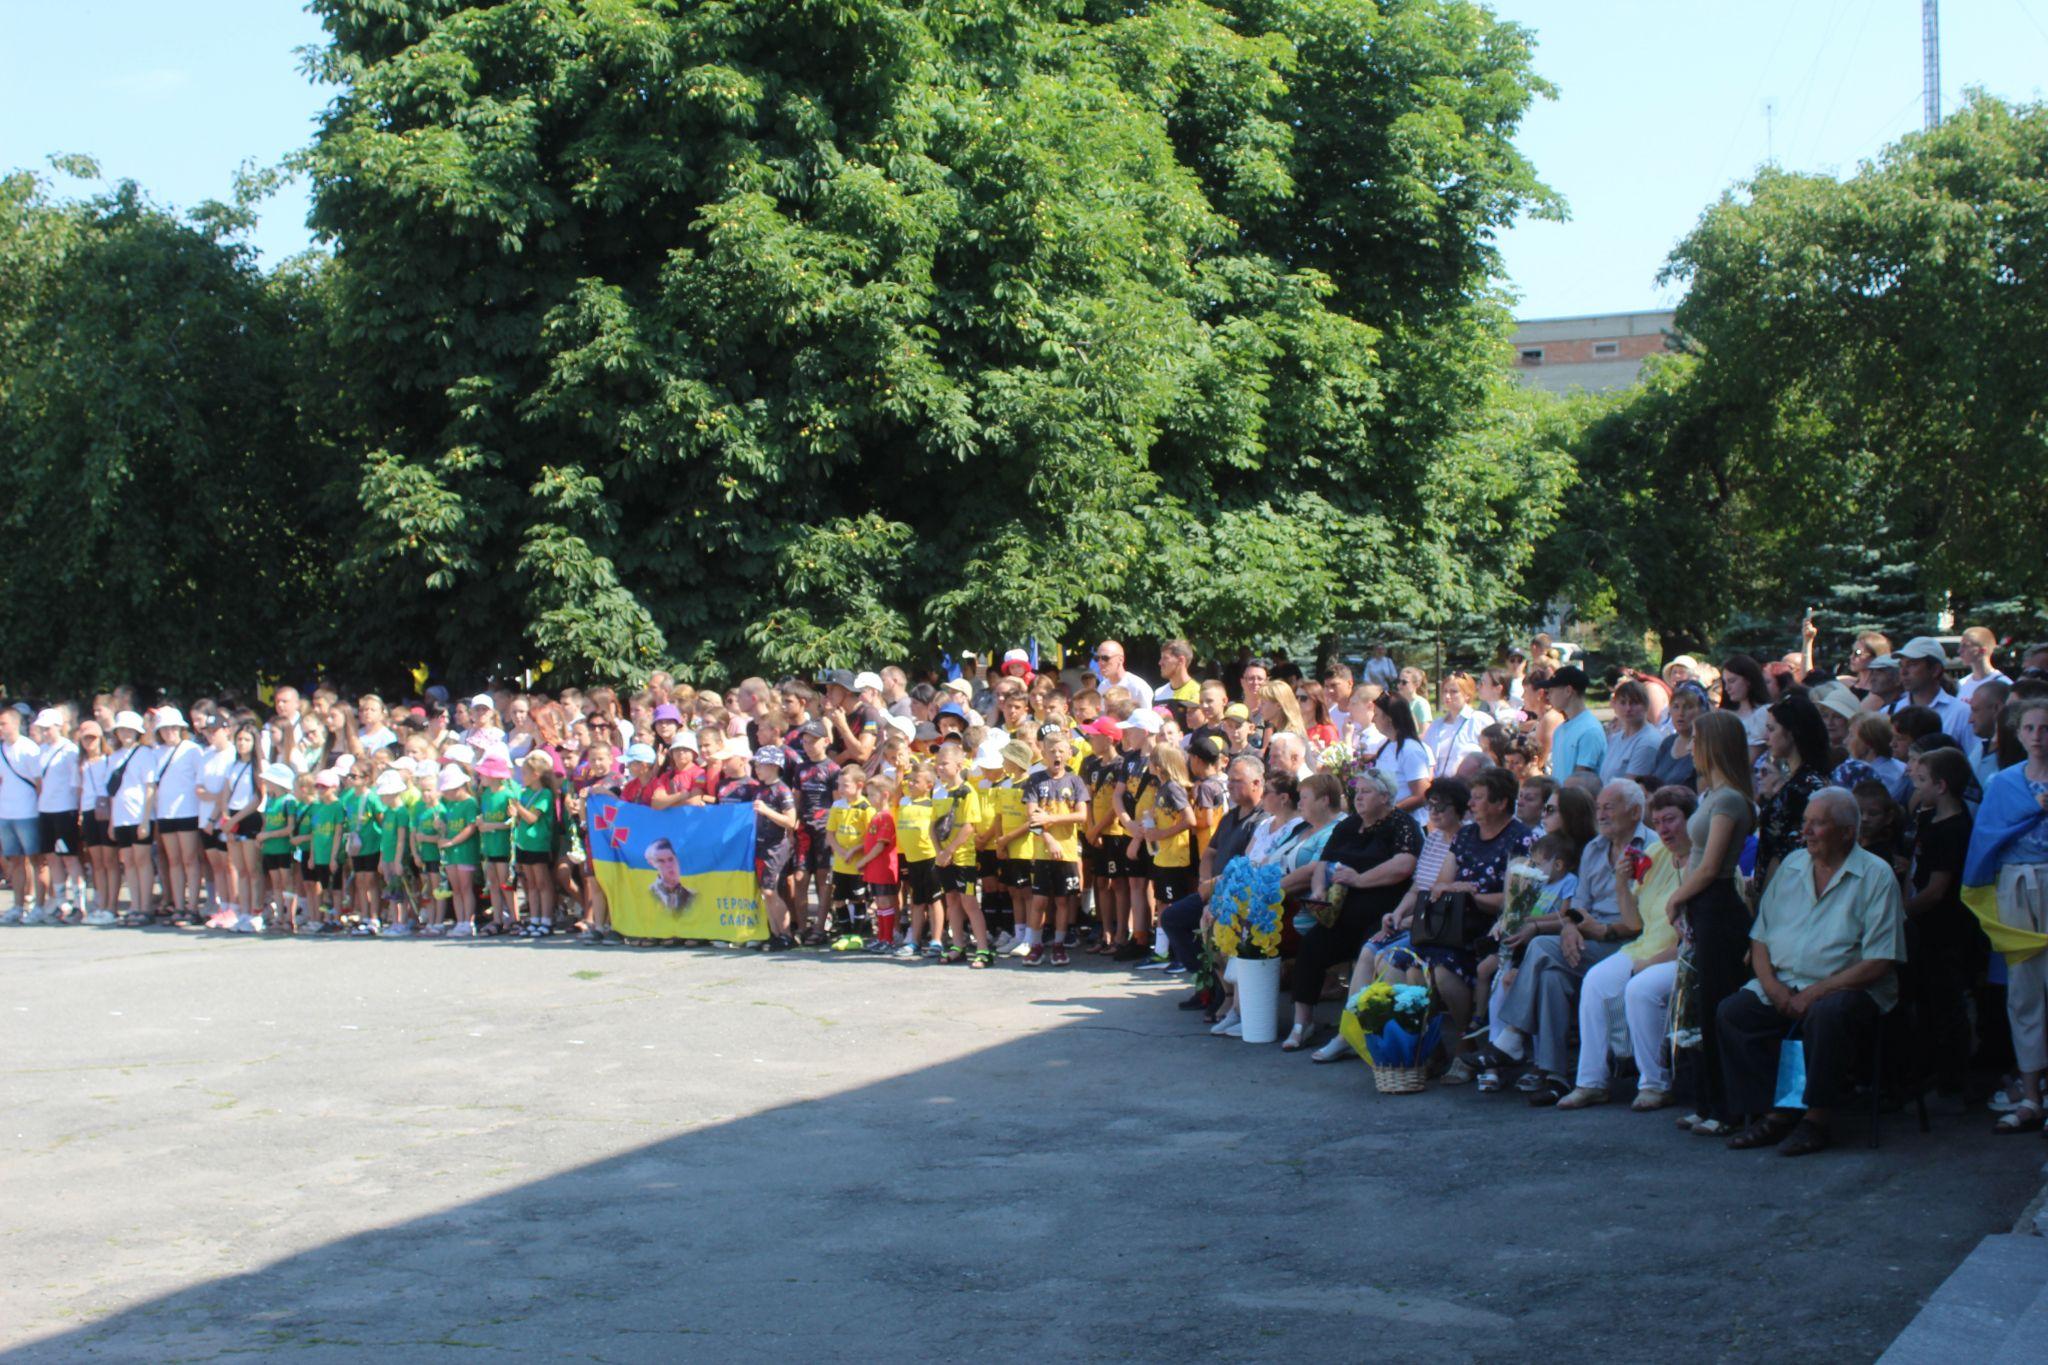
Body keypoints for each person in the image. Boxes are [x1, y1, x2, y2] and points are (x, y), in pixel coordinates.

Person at [1717, 789, 1906, 1156]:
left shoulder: (1875, 876)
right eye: (1805, 821)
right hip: (1787, 981)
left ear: (1847, 832)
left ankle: (1816, 1118)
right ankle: (1777, 1112)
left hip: (1849, 986)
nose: (1806, 831)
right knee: (1734, 1012)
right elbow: (1760, 938)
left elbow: (1880, 960)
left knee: (1827, 1014)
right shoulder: (1791, 866)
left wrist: (1815, 992)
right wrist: (1773, 988)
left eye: (1817, 823)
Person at [1489, 778, 1655, 1105]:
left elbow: (1647, 918)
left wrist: (1602, 931)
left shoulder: (1651, 848)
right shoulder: (1595, 848)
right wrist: (1571, 928)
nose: (1602, 814)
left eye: (1610, 807)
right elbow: (1578, 905)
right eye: (1599, 808)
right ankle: (1557, 1077)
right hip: (1589, 936)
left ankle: (1513, 1036)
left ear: (1635, 811)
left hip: (1629, 939)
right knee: (1551, 976)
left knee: (1538, 947)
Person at [1554, 784, 1696, 1109]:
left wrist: (1651, 962)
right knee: (1596, 981)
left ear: (1692, 820)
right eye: (1657, 821)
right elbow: (1634, 923)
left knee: (1640, 989)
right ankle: (1591, 1082)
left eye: (1671, 820)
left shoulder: (1703, 860)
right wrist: (1621, 883)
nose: (1663, 829)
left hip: (1685, 955)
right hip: (1645, 946)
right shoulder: (1656, 854)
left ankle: (1655, 1084)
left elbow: (1697, 938)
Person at [1292, 768, 1423, 1060]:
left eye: (1366, 792)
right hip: (1340, 913)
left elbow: (1404, 865)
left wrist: (1360, 879)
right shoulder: (1349, 825)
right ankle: (1303, 1022)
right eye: (1357, 791)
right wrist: (1317, 892)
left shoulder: (1402, 824)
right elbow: (1324, 865)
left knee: (1369, 951)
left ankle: (1349, 1032)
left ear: (1385, 796)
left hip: (1384, 913)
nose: (1358, 797)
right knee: (1312, 946)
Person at [1963, 699, 2048, 1132]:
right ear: (2018, 734)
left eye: (2045, 728)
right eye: (2030, 728)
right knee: (2024, 992)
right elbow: (1988, 837)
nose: (2037, 736)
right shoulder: (2003, 783)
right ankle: (2031, 1094)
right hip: (2015, 885)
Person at [1754, 695, 1831, 894]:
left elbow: (1789, 851)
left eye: (1772, 729)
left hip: (1788, 890)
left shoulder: (1806, 787)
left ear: (1792, 733)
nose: (1766, 737)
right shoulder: (1800, 781)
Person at [1889, 637, 1975, 749]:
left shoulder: (1962, 714)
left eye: (1912, 664)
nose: (1903, 672)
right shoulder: (1891, 711)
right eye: (1901, 665)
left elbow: (1972, 761)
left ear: (1935, 670)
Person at [1369, 690, 1432, 820]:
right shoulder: (1387, 745)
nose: (1372, 720)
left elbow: (1422, 794)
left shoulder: (1410, 750)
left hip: (1409, 825)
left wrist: (1388, 813)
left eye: (1376, 715)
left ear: (1389, 719)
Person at [1635, 681, 1706, 789]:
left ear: (1701, 710)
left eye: (1688, 707)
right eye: (1676, 707)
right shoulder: (1668, 743)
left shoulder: (1706, 746)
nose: (1681, 713)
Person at [1544, 667, 1607, 783]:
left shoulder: (1589, 730)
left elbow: (1580, 780)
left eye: (1551, 691)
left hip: (1574, 800)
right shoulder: (1560, 730)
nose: (1548, 697)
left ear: (1568, 691)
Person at [1424, 673, 1486, 778]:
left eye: (1454, 692)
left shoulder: (1479, 720)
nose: (1447, 696)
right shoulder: (1436, 725)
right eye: (1445, 691)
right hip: (1438, 786)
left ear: (1468, 695)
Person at [1599, 679, 1660, 786]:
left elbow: (1630, 787)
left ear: (1646, 706)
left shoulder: (1648, 741)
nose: (1628, 708)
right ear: (1615, 705)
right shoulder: (1615, 738)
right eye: (1623, 703)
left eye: (1634, 703)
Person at [1719, 654, 1771, 760]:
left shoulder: (1764, 713)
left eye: (1732, 681)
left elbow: (1750, 760)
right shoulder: (1723, 714)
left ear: (1748, 680)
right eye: (1725, 683)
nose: (1727, 688)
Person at [1957, 626, 2009, 702]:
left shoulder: (2003, 684)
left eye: (1965, 646)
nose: (1959, 651)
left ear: (1983, 650)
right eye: (1960, 646)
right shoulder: (1961, 684)